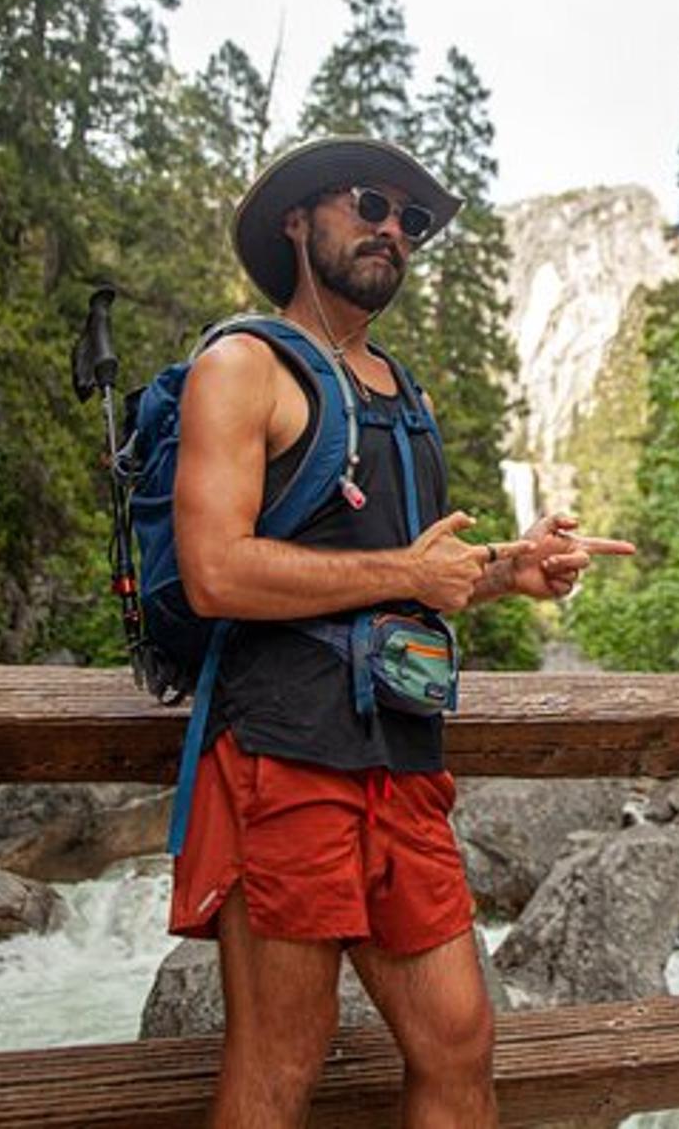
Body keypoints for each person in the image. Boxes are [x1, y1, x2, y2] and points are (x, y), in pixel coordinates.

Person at [168, 136, 633, 1129]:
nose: (392, 230)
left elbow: (418, 577)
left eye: (410, 221)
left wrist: (513, 569)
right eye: (371, 203)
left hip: (404, 762)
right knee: (280, 1061)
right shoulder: (241, 365)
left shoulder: (404, 392)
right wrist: (409, 574)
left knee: (459, 1045)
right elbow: (214, 571)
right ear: (296, 220)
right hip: (285, 756)